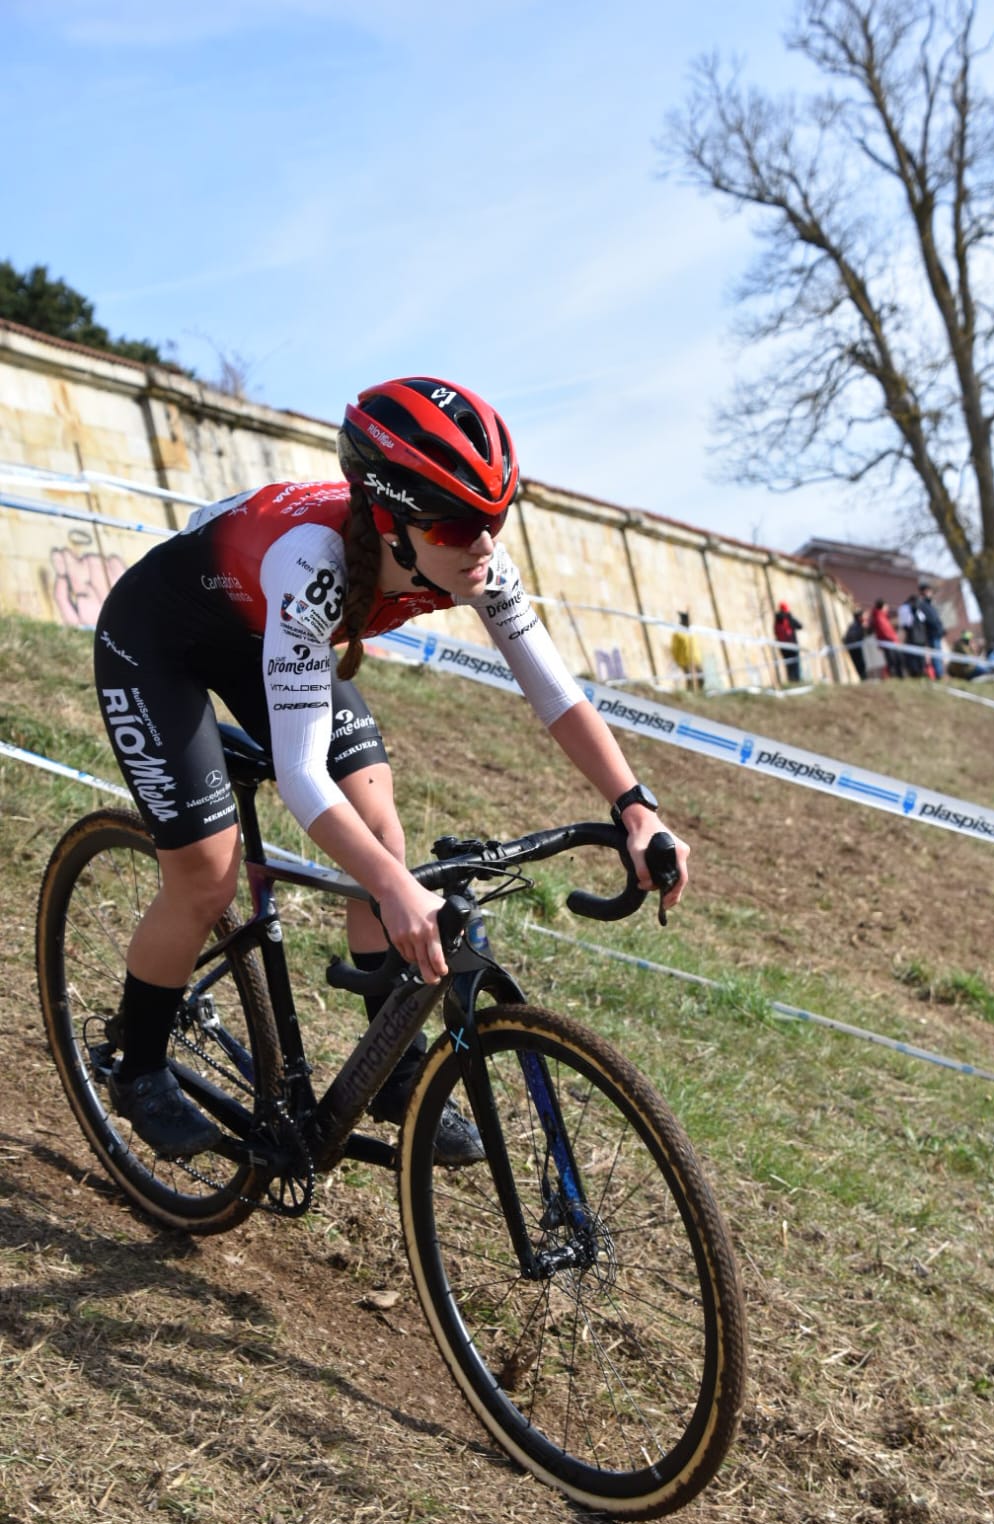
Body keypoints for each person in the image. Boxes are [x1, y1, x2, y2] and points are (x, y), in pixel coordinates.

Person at [94, 376, 689, 1161]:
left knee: (381, 828)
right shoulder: (317, 561)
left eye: (495, 518)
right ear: (390, 522)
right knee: (207, 873)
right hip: (160, 641)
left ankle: (392, 1070)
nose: (482, 543)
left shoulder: (474, 560)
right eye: (457, 525)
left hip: (265, 634)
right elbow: (303, 776)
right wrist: (390, 885)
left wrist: (634, 804)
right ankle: (137, 1068)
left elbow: (556, 692)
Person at [916, 582, 945, 679]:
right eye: (928, 591)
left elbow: (936, 619)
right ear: (924, 592)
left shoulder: (930, 605)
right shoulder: (922, 605)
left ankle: (941, 673)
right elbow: (927, 620)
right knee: (935, 655)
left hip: (937, 633)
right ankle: (939, 674)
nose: (930, 593)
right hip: (931, 634)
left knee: (939, 654)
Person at [868, 599, 903, 678]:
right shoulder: (879, 617)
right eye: (886, 606)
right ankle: (894, 676)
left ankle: (895, 675)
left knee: (895, 660)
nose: (887, 608)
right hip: (888, 642)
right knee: (892, 661)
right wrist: (893, 639)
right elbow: (885, 631)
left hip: (890, 642)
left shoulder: (883, 617)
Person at [670, 610, 704, 690]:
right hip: (685, 660)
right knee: (690, 679)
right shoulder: (678, 634)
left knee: (701, 678)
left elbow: (696, 647)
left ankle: (699, 694)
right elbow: (675, 648)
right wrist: (677, 660)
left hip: (696, 659)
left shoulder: (692, 632)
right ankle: (690, 693)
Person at [773, 601, 803, 684]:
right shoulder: (788, 618)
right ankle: (797, 681)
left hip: (783, 647)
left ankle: (791, 680)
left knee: (788, 664)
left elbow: (775, 632)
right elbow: (800, 626)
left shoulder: (777, 619)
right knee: (795, 663)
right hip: (792, 645)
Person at [842, 607, 867, 680]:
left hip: (854, 647)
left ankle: (864, 678)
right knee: (860, 664)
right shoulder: (856, 626)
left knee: (860, 664)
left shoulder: (854, 625)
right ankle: (864, 678)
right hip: (855, 648)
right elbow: (853, 637)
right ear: (859, 617)